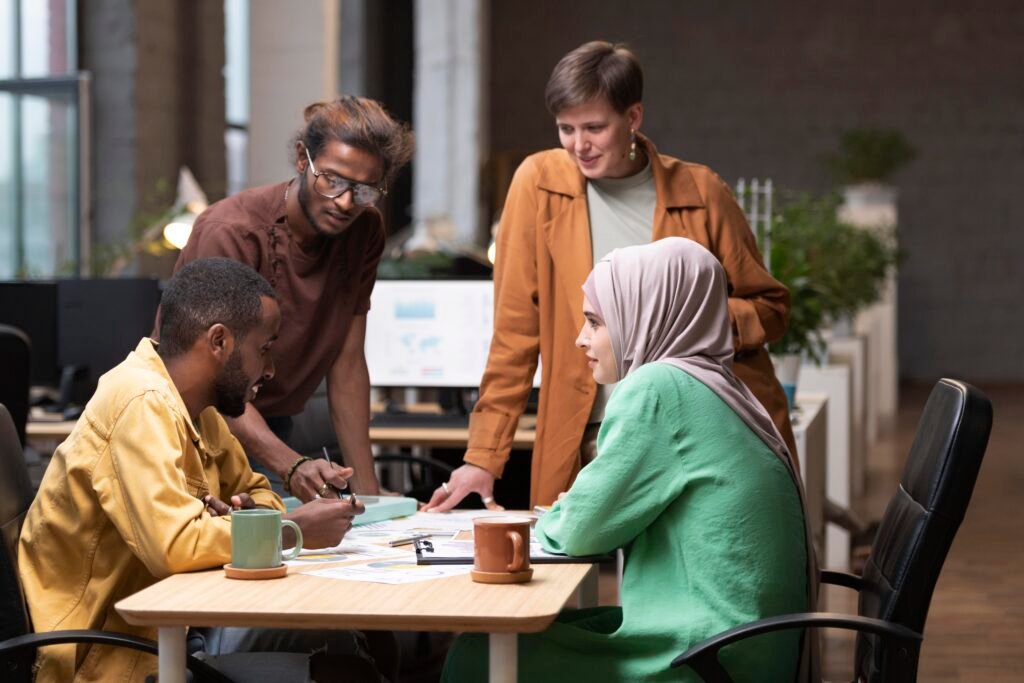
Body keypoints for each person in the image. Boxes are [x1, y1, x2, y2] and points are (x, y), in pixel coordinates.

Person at [427, 41, 793, 512]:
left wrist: (692, 322)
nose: (579, 144)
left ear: (633, 117)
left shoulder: (701, 191)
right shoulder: (537, 183)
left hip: (697, 431)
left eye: (595, 127)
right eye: (566, 128)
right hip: (591, 435)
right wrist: (483, 456)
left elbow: (771, 310)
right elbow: (514, 334)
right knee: (568, 573)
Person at [442, 238, 817, 682]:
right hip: (750, 645)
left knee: (476, 656)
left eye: (595, 321)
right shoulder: (720, 385)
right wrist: (579, 509)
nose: (582, 339)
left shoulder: (659, 388)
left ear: (646, 313)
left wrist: (568, 512)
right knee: (539, 630)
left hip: (706, 656)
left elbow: (580, 531)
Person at [18, 258, 388, 683]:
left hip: (174, 631)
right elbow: (174, 545)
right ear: (219, 341)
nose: (269, 370)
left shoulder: (197, 406)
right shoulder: (140, 402)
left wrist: (243, 519)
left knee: (348, 647)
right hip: (107, 659)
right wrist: (288, 528)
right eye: (264, 349)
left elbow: (255, 490)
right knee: (345, 674)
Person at [171, 95, 414, 500]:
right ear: (304, 159)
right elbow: (209, 377)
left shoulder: (364, 230)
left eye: (365, 189)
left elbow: (348, 363)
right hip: (197, 429)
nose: (345, 202)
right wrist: (292, 464)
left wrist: (369, 500)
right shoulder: (231, 232)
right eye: (332, 179)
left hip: (272, 424)